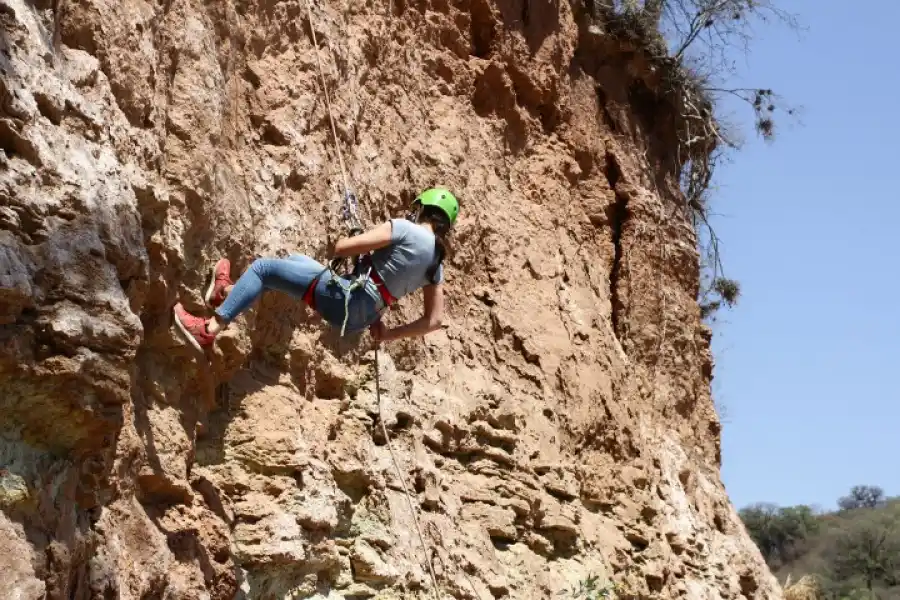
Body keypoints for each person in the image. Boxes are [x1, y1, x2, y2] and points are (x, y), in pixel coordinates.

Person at [172, 187, 459, 351]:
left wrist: (351, 239)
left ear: (421, 209)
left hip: (346, 299)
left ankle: (208, 329)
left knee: (263, 269)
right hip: (360, 316)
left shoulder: (405, 228)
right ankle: (228, 292)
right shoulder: (436, 261)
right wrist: (386, 335)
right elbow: (433, 321)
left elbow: (342, 248)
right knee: (297, 261)